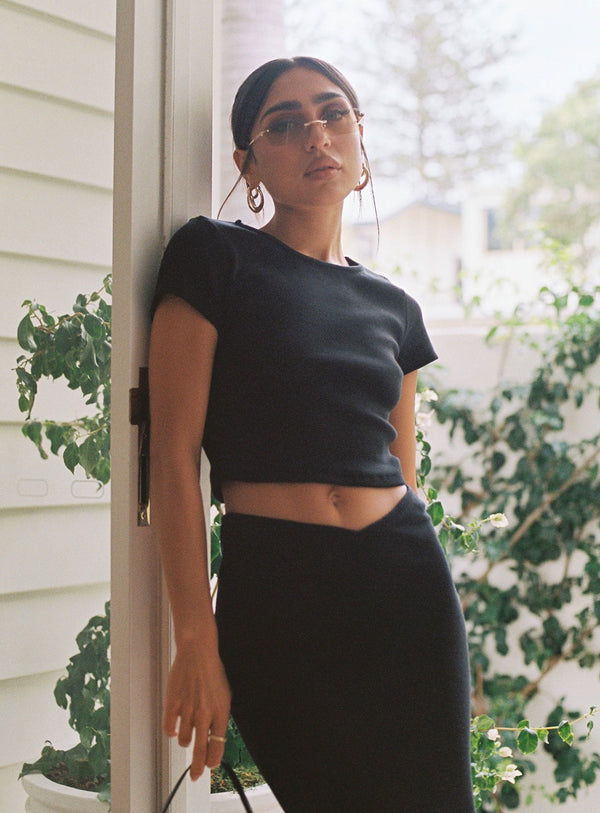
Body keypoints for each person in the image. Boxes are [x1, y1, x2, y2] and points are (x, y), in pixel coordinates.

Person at [149, 56, 475, 812]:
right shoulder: (214, 257)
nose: (316, 135)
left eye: (333, 115)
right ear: (249, 163)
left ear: (360, 138)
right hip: (280, 591)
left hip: (405, 585)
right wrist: (194, 637)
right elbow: (170, 458)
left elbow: (403, 471)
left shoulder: (394, 307)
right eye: (285, 124)